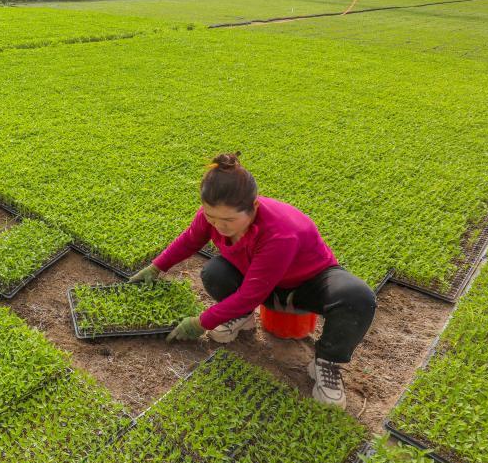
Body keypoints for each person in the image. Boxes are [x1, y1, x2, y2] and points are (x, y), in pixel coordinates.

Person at [130, 153, 376, 407]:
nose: (218, 225)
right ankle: (241, 317)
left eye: (228, 220)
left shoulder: (281, 233)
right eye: (211, 217)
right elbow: (190, 239)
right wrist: (156, 267)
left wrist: (200, 322)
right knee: (215, 272)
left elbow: (251, 293)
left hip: (306, 284)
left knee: (356, 298)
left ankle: (327, 362)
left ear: (254, 208)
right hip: (259, 277)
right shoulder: (212, 216)